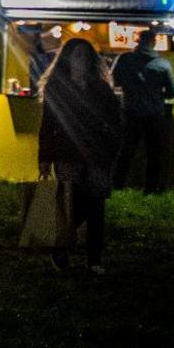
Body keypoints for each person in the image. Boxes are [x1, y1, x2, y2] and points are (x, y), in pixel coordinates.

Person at [38, 36, 123, 272]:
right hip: (67, 153)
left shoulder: (100, 88)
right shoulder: (57, 86)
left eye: (85, 57)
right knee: (71, 204)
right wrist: (44, 157)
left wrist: (110, 149)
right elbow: (48, 124)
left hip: (96, 155)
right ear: (67, 59)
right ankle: (62, 251)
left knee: (95, 206)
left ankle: (93, 258)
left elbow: (115, 121)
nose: (81, 61)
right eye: (77, 56)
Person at [111, 31, 174, 193]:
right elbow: (173, 92)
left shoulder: (124, 59)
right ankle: (151, 190)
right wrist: (157, 94)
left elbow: (115, 81)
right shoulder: (162, 64)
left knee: (126, 152)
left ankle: (118, 187)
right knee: (154, 154)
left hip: (130, 112)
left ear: (137, 41)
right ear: (154, 42)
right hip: (155, 114)